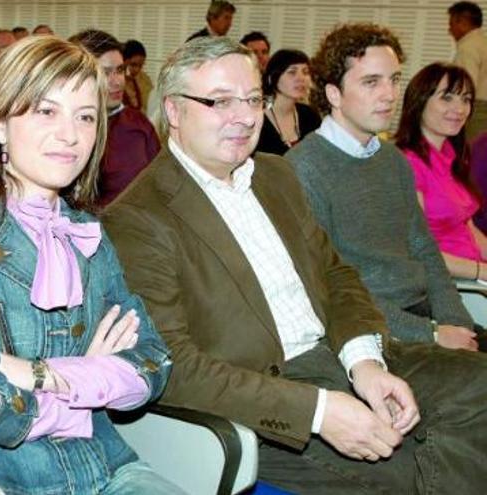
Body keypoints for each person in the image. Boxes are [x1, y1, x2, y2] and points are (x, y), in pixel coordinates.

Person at [102, 35, 487, 494]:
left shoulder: (275, 174)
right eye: (219, 101)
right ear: (173, 111)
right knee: (403, 467)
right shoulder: (139, 218)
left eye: (251, 99)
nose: (245, 117)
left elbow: (336, 275)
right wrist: (320, 412)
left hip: (342, 351)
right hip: (268, 393)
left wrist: (365, 362)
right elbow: (175, 366)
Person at [0, 34, 183, 495]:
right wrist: (94, 381)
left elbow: (153, 364)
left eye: (86, 117)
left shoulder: (87, 234)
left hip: (108, 467)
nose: (71, 135)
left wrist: (40, 375)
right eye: (46, 111)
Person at [287, 29, 481, 353]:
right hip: (373, 333)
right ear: (334, 94)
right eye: (371, 82)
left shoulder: (391, 159)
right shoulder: (303, 168)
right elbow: (327, 288)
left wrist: (458, 324)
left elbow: (425, 251)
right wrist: (431, 334)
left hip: (423, 315)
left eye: (394, 79)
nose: (390, 94)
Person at [395, 63, 487, 285]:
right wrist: (480, 271)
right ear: (420, 101)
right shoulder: (406, 163)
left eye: (465, 99)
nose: (460, 108)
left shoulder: (452, 157)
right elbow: (416, 250)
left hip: (471, 277)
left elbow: (468, 227)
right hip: (444, 285)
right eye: (447, 98)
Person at [70, 29, 160, 206]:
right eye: (105, 73)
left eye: (120, 70)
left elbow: (160, 185)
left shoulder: (138, 124)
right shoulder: (62, 130)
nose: (118, 81)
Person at [256, 49, 320, 155]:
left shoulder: (310, 115)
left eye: (305, 72)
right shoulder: (257, 119)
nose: (301, 78)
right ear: (272, 78)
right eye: (292, 72)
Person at [448, 2, 487, 138]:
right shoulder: (483, 42)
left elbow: (465, 88)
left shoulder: (468, 47)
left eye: (451, 24)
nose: (449, 30)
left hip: (478, 112)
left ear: (463, 22)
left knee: (472, 153)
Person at [122, 39, 153, 112]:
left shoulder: (144, 80)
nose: (137, 70)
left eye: (140, 66)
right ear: (123, 61)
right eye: (133, 65)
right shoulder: (114, 81)